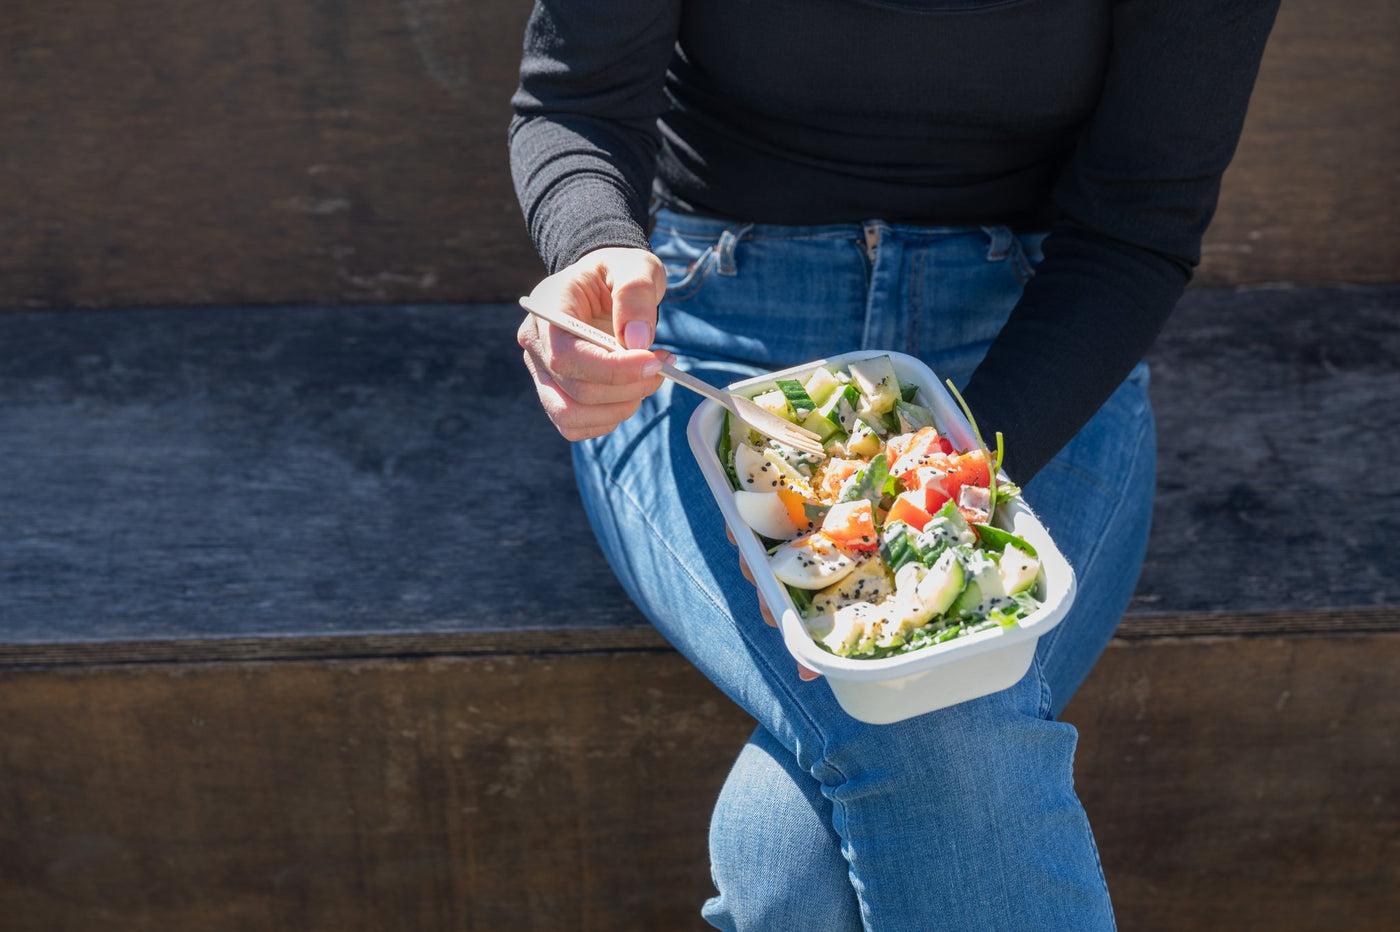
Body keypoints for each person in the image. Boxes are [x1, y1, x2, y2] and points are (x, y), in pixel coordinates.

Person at [508, 2, 1279, 929]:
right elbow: (577, 102)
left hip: (1041, 348)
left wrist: (926, 486)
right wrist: (594, 245)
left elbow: (1139, 223)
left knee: (796, 870)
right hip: (711, 338)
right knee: (932, 735)